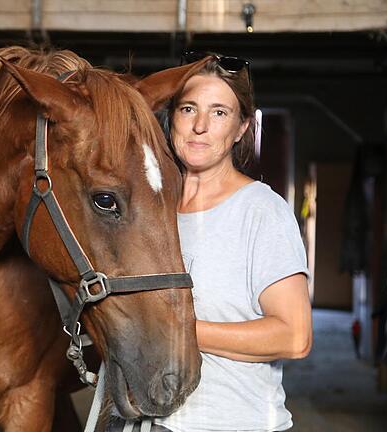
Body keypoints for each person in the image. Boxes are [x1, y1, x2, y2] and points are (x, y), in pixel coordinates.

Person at [153, 52, 313, 432]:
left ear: (242, 127)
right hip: (146, 421)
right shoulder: (150, 208)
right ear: (171, 117)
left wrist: (172, 330)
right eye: (189, 109)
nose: (201, 126)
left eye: (220, 113)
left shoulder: (261, 211)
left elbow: (295, 336)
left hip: (234, 422)